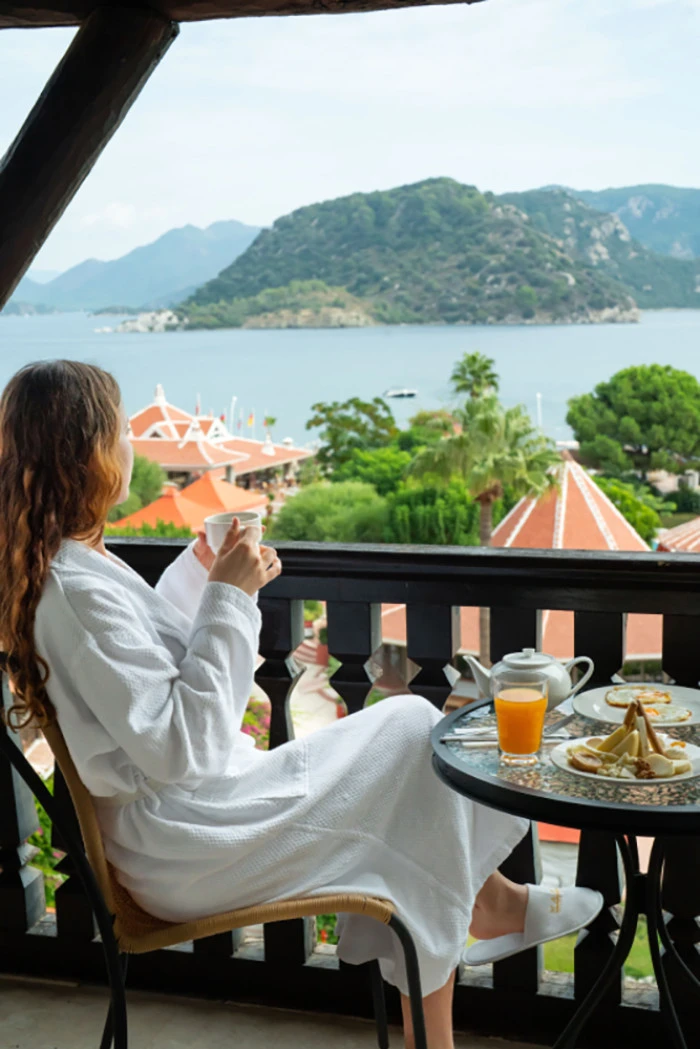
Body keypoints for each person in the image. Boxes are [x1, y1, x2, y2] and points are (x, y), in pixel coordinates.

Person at [0, 361, 602, 1049]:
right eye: (120, 431)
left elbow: (141, 664)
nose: (131, 446)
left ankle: (482, 930)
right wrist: (230, 597)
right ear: (90, 453)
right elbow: (179, 746)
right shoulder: (74, 590)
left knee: (410, 746)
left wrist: (200, 572)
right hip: (188, 841)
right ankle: (489, 919)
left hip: (187, 816)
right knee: (411, 745)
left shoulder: (67, 564)